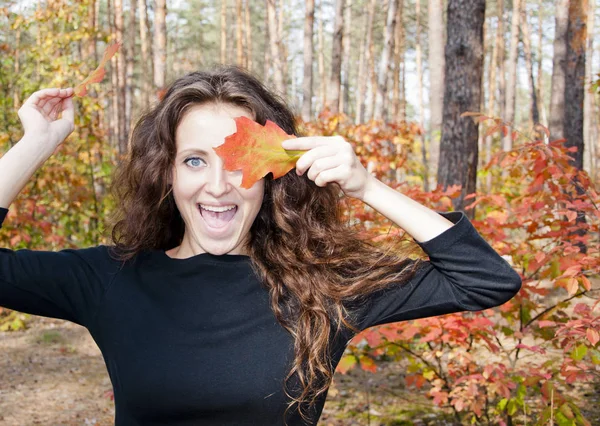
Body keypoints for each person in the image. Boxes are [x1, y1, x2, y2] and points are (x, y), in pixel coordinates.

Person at [0, 65, 522, 426]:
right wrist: (35, 145)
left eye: (237, 163)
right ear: (167, 174)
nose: (219, 185)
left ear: (272, 175)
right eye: (195, 160)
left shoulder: (321, 285)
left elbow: (487, 278)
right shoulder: (110, 280)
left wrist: (367, 187)